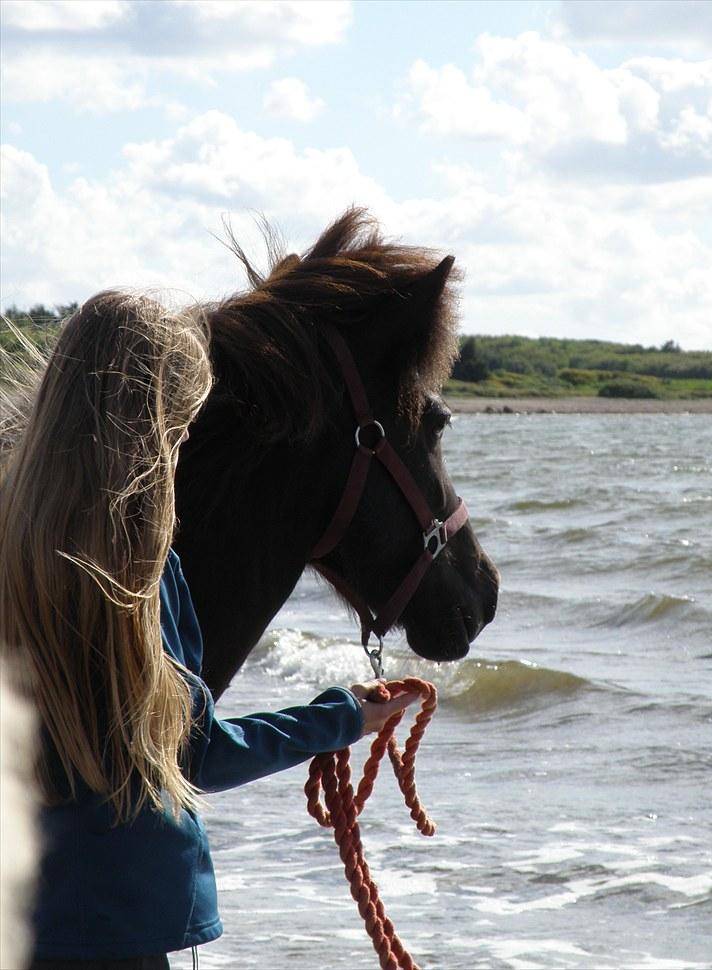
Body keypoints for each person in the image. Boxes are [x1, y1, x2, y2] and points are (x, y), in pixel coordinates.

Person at [0, 291, 416, 969]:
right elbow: (193, 757)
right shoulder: (140, 575)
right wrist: (339, 718)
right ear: (150, 428)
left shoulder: (10, 544)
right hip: (121, 929)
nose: (182, 447)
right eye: (180, 428)